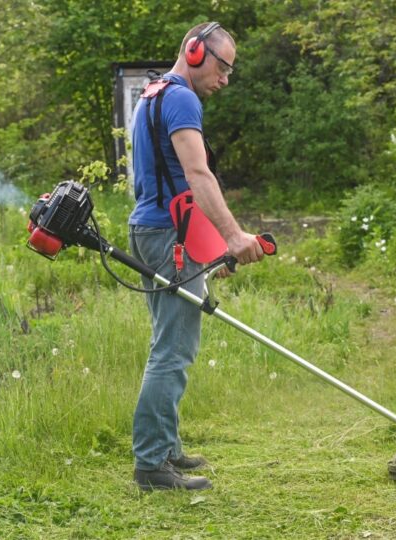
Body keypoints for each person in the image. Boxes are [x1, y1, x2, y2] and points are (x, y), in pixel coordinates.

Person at [128, 21, 264, 491]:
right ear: (193, 51)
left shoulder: (152, 93)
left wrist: (209, 248)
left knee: (169, 342)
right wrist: (233, 237)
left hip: (155, 230)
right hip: (168, 235)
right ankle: (150, 465)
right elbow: (196, 175)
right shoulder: (182, 98)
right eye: (223, 66)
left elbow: (171, 185)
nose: (226, 78)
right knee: (173, 351)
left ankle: (166, 448)